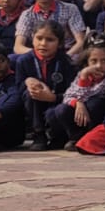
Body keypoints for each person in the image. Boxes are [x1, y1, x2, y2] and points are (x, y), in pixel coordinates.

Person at [11, 20, 77, 151]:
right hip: (34, 105)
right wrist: (27, 82)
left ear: (60, 43)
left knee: (61, 110)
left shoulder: (66, 62)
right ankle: (39, 135)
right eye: (39, 38)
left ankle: (61, 137)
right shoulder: (24, 61)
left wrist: (53, 97)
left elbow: (73, 91)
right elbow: (18, 87)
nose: (43, 43)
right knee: (30, 93)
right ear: (32, 38)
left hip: (57, 101)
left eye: (50, 40)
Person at [47, 41, 105, 151]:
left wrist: (81, 100)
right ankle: (75, 137)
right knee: (60, 109)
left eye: (104, 61)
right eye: (94, 61)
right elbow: (68, 96)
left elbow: (97, 94)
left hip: (96, 116)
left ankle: (91, 137)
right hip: (79, 116)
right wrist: (78, 102)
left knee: (94, 103)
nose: (98, 66)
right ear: (86, 63)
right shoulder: (82, 75)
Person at [13, 0, 88, 57]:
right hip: (38, 55)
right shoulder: (27, 15)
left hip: (67, 55)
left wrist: (63, 58)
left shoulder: (70, 9)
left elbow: (81, 42)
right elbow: (18, 47)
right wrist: (41, 55)